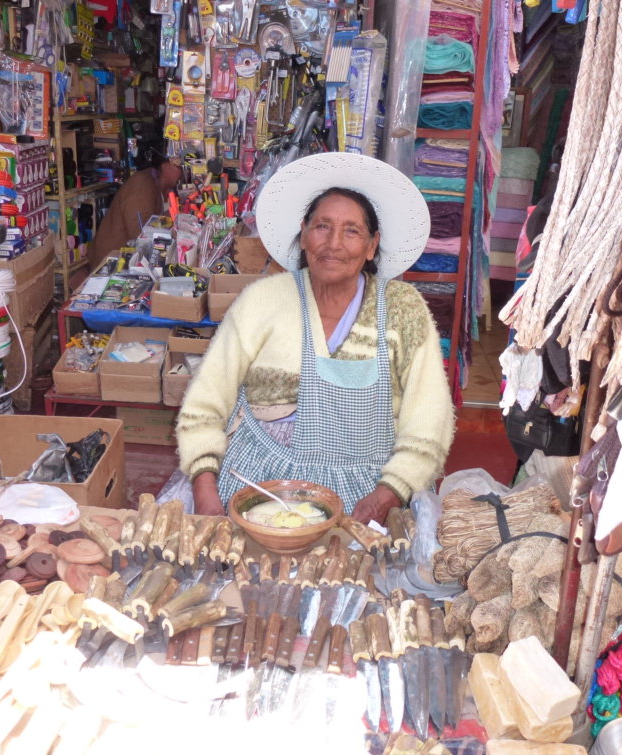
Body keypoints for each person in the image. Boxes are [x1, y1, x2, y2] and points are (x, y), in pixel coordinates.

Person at [175, 152, 455, 525]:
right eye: (322, 226)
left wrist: (390, 493)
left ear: (372, 245)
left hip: (366, 498)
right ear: (304, 234)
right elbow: (205, 403)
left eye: (352, 231)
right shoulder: (263, 300)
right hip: (257, 489)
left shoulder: (403, 310)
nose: (334, 243)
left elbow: (429, 421)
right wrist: (205, 490)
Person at [87, 144, 183, 266]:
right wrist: (174, 214)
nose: (183, 171)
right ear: (164, 166)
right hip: (112, 262)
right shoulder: (141, 187)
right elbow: (140, 233)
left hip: (125, 258)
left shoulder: (156, 185)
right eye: (178, 166)